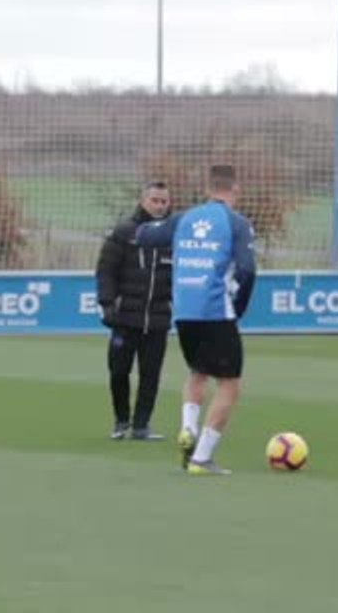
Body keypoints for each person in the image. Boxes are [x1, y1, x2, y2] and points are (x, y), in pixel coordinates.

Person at [135, 164, 257, 475]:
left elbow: (144, 236)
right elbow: (247, 270)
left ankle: (188, 426)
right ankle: (201, 458)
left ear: (208, 188)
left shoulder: (184, 218)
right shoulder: (237, 223)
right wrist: (238, 307)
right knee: (229, 385)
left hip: (185, 312)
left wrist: (140, 224)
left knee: (198, 372)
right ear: (235, 189)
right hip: (216, 311)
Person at [95, 181, 173, 440]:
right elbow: (105, 271)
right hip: (124, 318)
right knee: (118, 370)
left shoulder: (175, 235)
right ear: (143, 201)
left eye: (164, 201)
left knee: (150, 375)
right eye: (155, 200)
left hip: (158, 320)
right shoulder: (124, 232)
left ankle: (141, 426)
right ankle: (121, 421)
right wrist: (107, 304)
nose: (160, 206)